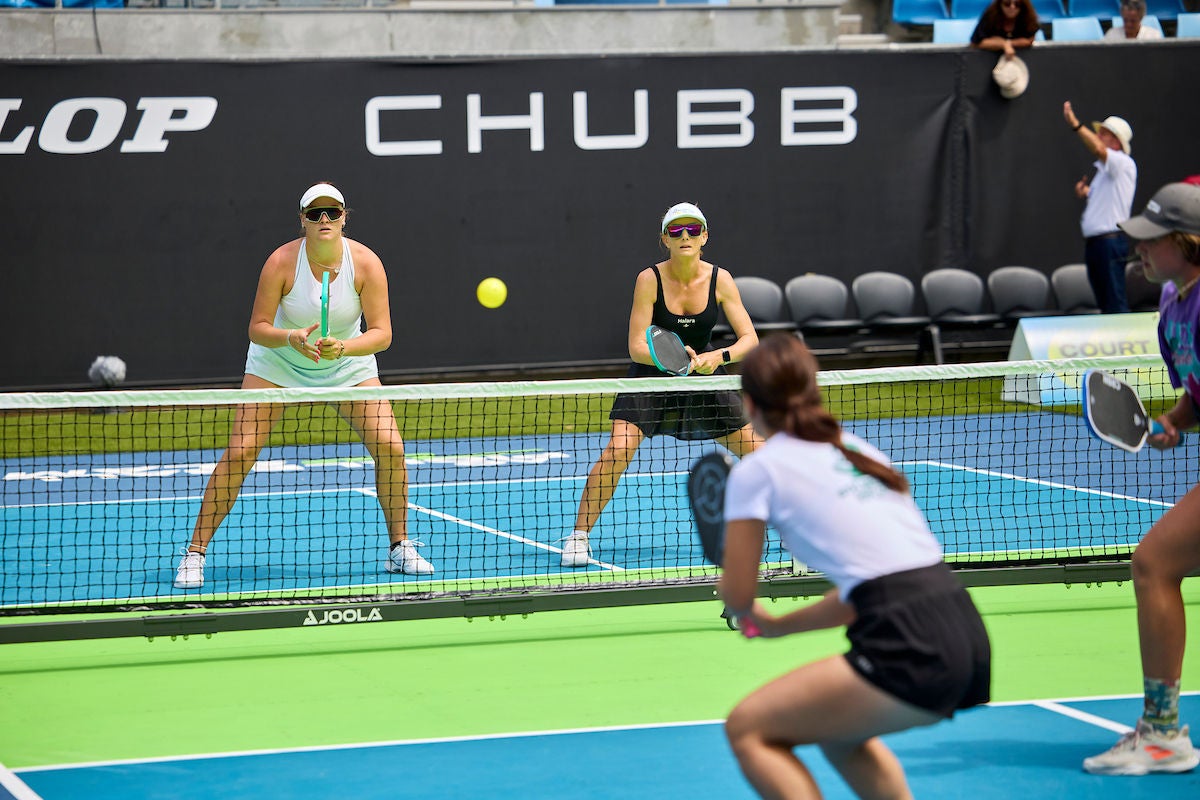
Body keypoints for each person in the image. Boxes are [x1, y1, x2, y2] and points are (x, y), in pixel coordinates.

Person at [717, 334, 991, 799]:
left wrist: (741, 597)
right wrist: (779, 627)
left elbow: (737, 597)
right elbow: (864, 593)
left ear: (749, 403)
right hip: (964, 630)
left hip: (909, 644)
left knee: (748, 728)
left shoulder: (757, 472)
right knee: (839, 735)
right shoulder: (855, 450)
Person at [173, 182, 433, 589]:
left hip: (346, 363)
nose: (324, 220)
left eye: (332, 212)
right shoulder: (280, 263)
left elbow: (382, 334)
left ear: (345, 216)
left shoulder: (365, 264)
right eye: (315, 214)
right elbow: (257, 329)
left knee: (391, 446)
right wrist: (290, 337)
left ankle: (399, 547)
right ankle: (194, 554)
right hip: (277, 361)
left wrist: (344, 347)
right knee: (241, 451)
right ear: (303, 220)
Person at [559, 202, 762, 567]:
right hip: (652, 374)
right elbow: (637, 346)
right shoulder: (649, 278)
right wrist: (673, 361)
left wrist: (719, 358)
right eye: (676, 231)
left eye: (693, 230)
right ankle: (578, 536)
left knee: (760, 453)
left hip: (704, 376)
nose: (685, 236)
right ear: (665, 239)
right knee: (618, 450)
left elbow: (749, 339)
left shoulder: (721, 279)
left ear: (705, 237)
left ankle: (801, 528)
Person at [1081, 182, 1200, 776]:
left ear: (1188, 243)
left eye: (1153, 241)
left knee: (1154, 562)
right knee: (1156, 563)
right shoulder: (1174, 306)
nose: (1139, 251)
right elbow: (1196, 394)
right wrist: (1176, 420)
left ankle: (1160, 734)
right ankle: (1161, 730)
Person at [1063, 102, 1137, 313]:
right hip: (1099, 244)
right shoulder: (1105, 172)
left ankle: (1123, 343)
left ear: (1115, 141)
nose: (1098, 137)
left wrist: (1076, 125)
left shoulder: (1123, 162)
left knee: (1114, 303)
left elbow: (1097, 148)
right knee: (1106, 304)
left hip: (1110, 243)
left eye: (1103, 133)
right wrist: (1085, 192)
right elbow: (1105, 199)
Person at [970, 0, 1040, 59]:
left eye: (1017, 4)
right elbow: (976, 42)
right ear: (1000, 4)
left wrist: (1006, 43)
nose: (1012, 7)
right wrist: (1003, 45)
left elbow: (1028, 40)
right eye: (1007, 3)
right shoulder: (990, 16)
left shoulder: (1028, 18)